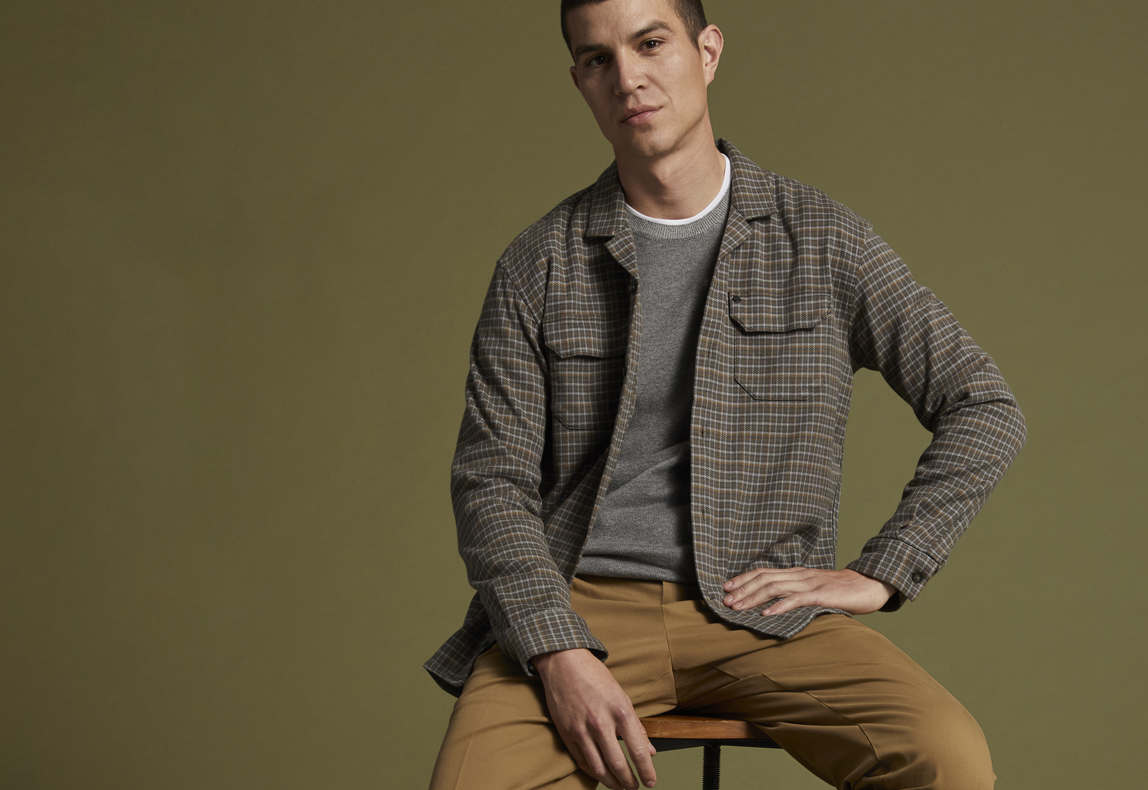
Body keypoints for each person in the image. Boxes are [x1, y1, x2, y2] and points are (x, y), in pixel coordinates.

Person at [424, 1, 1027, 788]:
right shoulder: (539, 263)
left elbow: (982, 404)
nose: (628, 78)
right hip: (579, 604)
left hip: (763, 611)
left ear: (706, 51)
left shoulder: (823, 240)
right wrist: (555, 649)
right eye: (598, 59)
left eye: (650, 43)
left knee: (945, 759)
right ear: (579, 82)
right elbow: (490, 482)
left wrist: (883, 570)